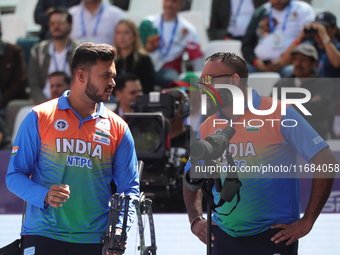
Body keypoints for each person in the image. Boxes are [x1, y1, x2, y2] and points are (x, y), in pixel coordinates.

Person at [183, 51, 337, 255]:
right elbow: (191, 177)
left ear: (234, 80)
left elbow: (326, 161)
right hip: (221, 236)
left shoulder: (279, 112)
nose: (203, 87)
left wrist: (307, 221)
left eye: (209, 80)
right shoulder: (209, 125)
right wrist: (195, 219)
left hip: (272, 237)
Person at [6, 42, 139, 255]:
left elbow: (129, 188)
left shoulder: (119, 127)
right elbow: (14, 176)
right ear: (81, 75)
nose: (113, 82)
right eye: (105, 75)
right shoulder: (39, 117)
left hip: (95, 239)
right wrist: (44, 195)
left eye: (113, 75)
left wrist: (119, 228)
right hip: (43, 234)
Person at [273, 43, 333, 139]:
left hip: (315, 136)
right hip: (286, 136)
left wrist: (288, 106)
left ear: (314, 63)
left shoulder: (324, 83)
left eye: (303, 60)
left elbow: (320, 111)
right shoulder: (282, 83)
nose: (298, 63)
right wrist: (308, 103)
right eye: (295, 59)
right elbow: (271, 108)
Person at [139, 0, 204, 88]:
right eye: (167, 1)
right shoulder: (147, 23)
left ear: (182, 5)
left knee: (172, 81)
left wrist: (202, 82)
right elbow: (136, 47)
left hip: (169, 70)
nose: (169, 4)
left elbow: (197, 59)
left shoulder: (188, 30)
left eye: (174, 2)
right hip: (145, 67)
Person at [241, 0, 315, 77]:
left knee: (291, 71)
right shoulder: (262, 11)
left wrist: (285, 60)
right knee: (239, 72)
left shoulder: (302, 9)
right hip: (259, 64)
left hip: (289, 63)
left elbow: (308, 41)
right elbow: (247, 44)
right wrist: (255, 61)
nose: (277, 1)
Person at [281, 11, 340, 97]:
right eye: (317, 28)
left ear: (334, 29)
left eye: (324, 28)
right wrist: (301, 36)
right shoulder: (309, 44)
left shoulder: (336, 47)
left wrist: (325, 37)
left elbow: (337, 63)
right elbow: (284, 62)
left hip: (330, 91)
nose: (318, 32)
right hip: (309, 88)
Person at [29, 9, 78, 105]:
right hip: (44, 101)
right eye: (52, 23)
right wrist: (44, 105)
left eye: (60, 23)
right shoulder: (38, 50)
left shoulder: (79, 50)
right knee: (14, 106)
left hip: (74, 102)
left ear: (70, 25)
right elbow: (34, 85)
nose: (56, 26)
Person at [114, 19, 155, 95]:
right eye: (119, 33)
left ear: (134, 36)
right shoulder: (113, 60)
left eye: (126, 33)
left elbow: (148, 86)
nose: (122, 37)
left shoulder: (144, 59)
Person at [0, 20, 29, 117]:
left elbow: (19, 82)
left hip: (10, 100)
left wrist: (1, 101)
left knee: (11, 107)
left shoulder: (14, 52)